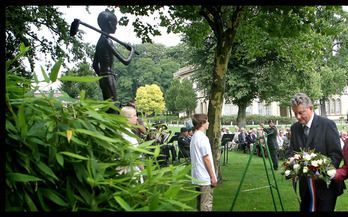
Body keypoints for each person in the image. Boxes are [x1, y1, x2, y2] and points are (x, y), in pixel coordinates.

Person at [286, 93, 344, 211]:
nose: (297, 116)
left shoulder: (327, 125)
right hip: (305, 188)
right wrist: (293, 163)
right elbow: (291, 152)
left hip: (326, 188)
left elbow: (336, 155)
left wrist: (320, 170)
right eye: (295, 113)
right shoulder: (295, 128)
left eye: (301, 113)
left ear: (311, 108)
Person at [93, 9, 135, 113]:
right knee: (113, 106)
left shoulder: (99, 42)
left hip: (104, 77)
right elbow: (126, 61)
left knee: (109, 105)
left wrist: (101, 77)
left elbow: (95, 65)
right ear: (110, 24)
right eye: (115, 24)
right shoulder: (107, 41)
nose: (116, 27)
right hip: (109, 75)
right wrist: (132, 51)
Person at [190, 114, 217, 211]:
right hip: (204, 176)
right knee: (206, 204)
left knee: (199, 204)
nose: (208, 123)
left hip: (197, 176)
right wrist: (213, 176)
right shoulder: (202, 138)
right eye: (207, 121)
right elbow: (206, 159)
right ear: (202, 123)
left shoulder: (194, 137)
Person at [119, 106, 144, 183]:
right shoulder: (128, 135)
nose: (137, 118)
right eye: (134, 115)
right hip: (131, 171)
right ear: (127, 118)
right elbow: (136, 156)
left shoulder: (119, 131)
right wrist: (144, 171)